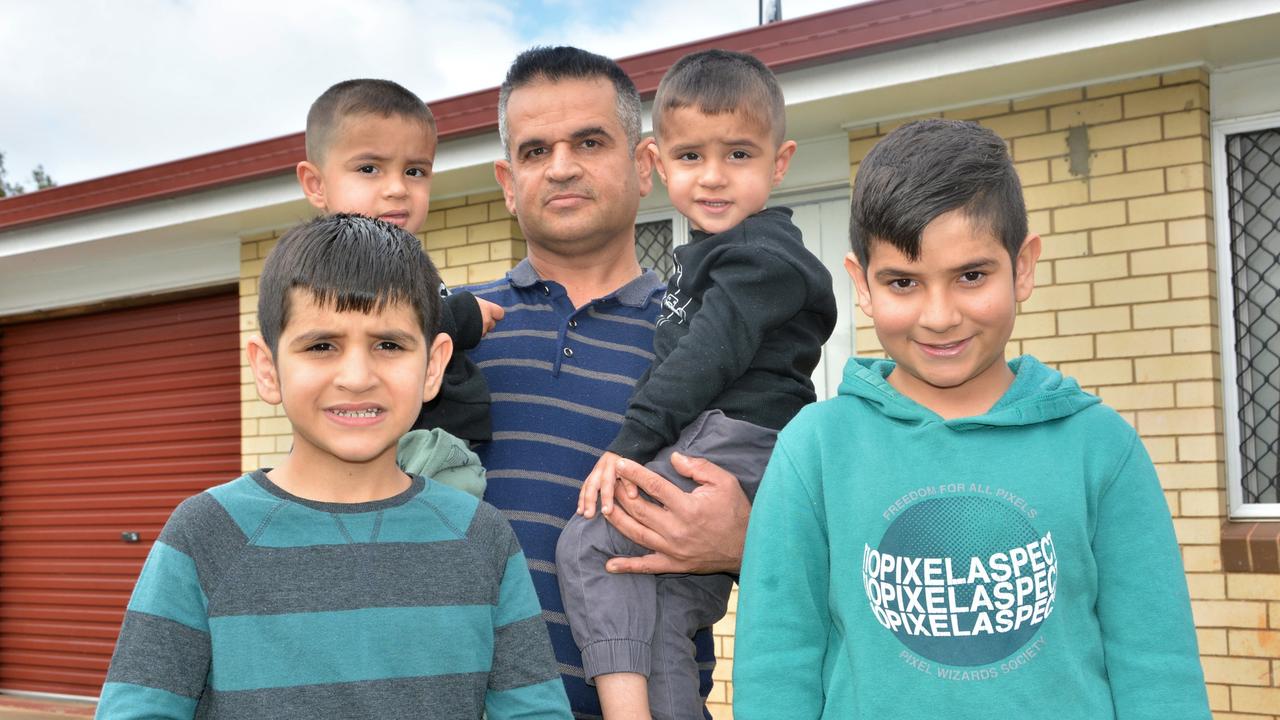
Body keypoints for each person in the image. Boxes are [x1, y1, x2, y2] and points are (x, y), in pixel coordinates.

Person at [732, 119, 1211, 719]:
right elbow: (777, 665)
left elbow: (1157, 669)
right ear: (862, 284)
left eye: (971, 276)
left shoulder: (1100, 447)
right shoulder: (816, 450)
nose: (940, 315)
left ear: (1024, 266)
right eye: (903, 282)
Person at [95, 214, 571, 719]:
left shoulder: (481, 535)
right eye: (321, 346)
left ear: (433, 366)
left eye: (388, 345)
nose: (357, 377)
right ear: (267, 368)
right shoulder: (207, 534)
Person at [469, 46, 753, 717]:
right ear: (508, 182)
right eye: (536, 151)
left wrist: (747, 541)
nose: (562, 166)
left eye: (589, 141)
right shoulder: (445, 337)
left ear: (644, 164)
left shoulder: (716, 339)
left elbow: (807, 537)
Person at [556, 49, 837, 720]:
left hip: (736, 441)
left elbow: (704, 358)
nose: (713, 178)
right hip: (724, 441)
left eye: (738, 155)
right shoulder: (712, 255)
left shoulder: (760, 258)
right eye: (691, 158)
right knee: (659, 605)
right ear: (657, 162)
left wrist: (627, 446)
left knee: (592, 543)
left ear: (780, 161)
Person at [296, 78, 501, 452]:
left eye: (414, 171)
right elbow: (375, 326)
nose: (397, 188)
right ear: (316, 184)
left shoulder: (406, 257)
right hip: (397, 449)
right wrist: (463, 316)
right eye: (370, 169)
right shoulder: (336, 257)